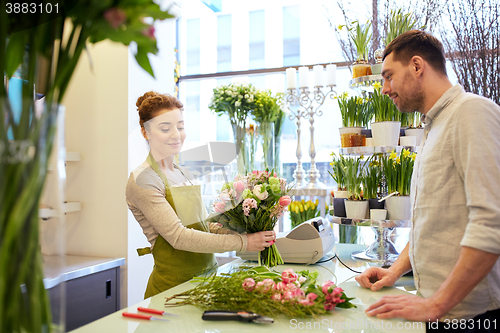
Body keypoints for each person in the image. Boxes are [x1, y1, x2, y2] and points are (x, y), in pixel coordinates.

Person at [355, 30, 500, 330]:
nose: (384, 89)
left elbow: (491, 223)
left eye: (389, 76)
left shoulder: (471, 112)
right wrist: (394, 271)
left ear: (417, 66)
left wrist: (436, 304)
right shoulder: (433, 127)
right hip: (437, 309)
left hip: (471, 317)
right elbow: (431, 223)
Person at [126, 91, 275, 298]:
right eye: (165, 128)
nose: (176, 134)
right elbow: (179, 237)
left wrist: (247, 231)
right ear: (145, 132)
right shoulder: (143, 179)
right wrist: (244, 243)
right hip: (171, 292)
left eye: (180, 126)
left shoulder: (183, 172)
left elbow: (204, 225)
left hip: (207, 282)